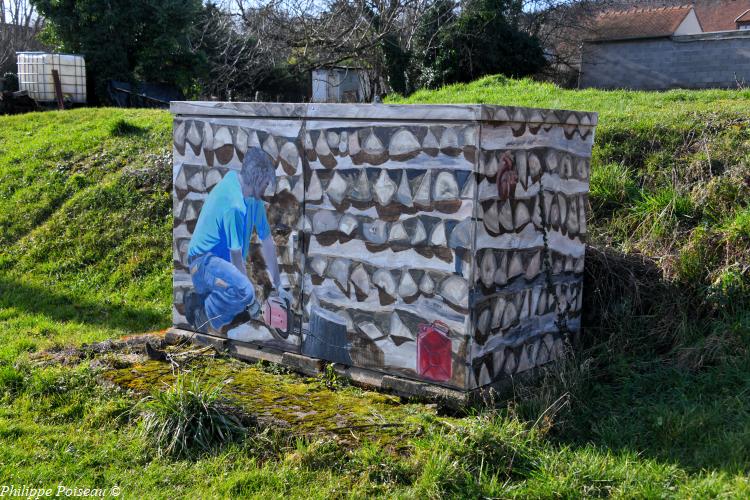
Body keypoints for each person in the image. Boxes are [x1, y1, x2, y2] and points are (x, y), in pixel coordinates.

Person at [184, 147, 291, 332]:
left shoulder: (253, 201)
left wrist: (279, 285)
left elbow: (267, 243)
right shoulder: (234, 204)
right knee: (245, 293)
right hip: (202, 263)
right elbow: (236, 258)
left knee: (243, 297)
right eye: (266, 183)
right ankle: (202, 309)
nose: (266, 189)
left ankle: (209, 310)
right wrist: (251, 302)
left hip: (220, 264)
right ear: (257, 178)